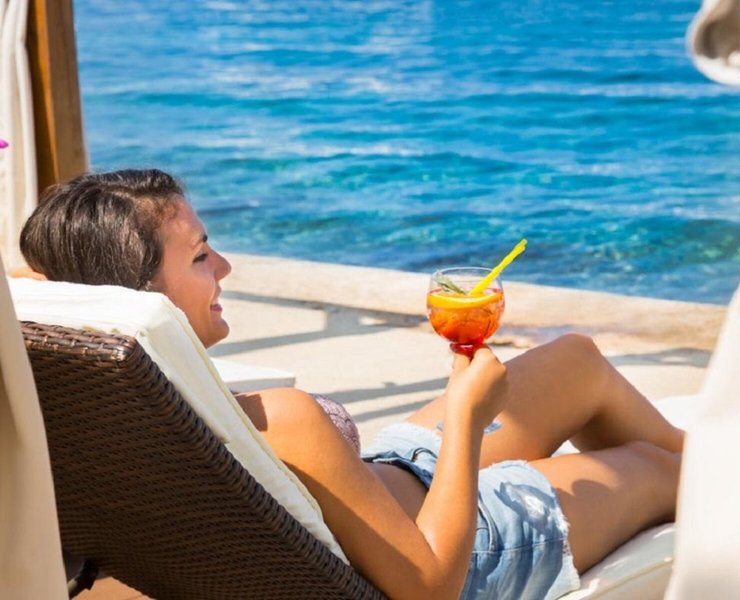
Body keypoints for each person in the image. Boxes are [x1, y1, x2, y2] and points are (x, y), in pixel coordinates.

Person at [18, 169, 682, 600]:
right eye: (199, 257)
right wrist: (469, 417)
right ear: (139, 298)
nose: (225, 265)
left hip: (389, 483)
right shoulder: (279, 420)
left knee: (575, 359)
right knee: (656, 469)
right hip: (464, 549)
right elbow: (428, 588)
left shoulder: (84, 416)